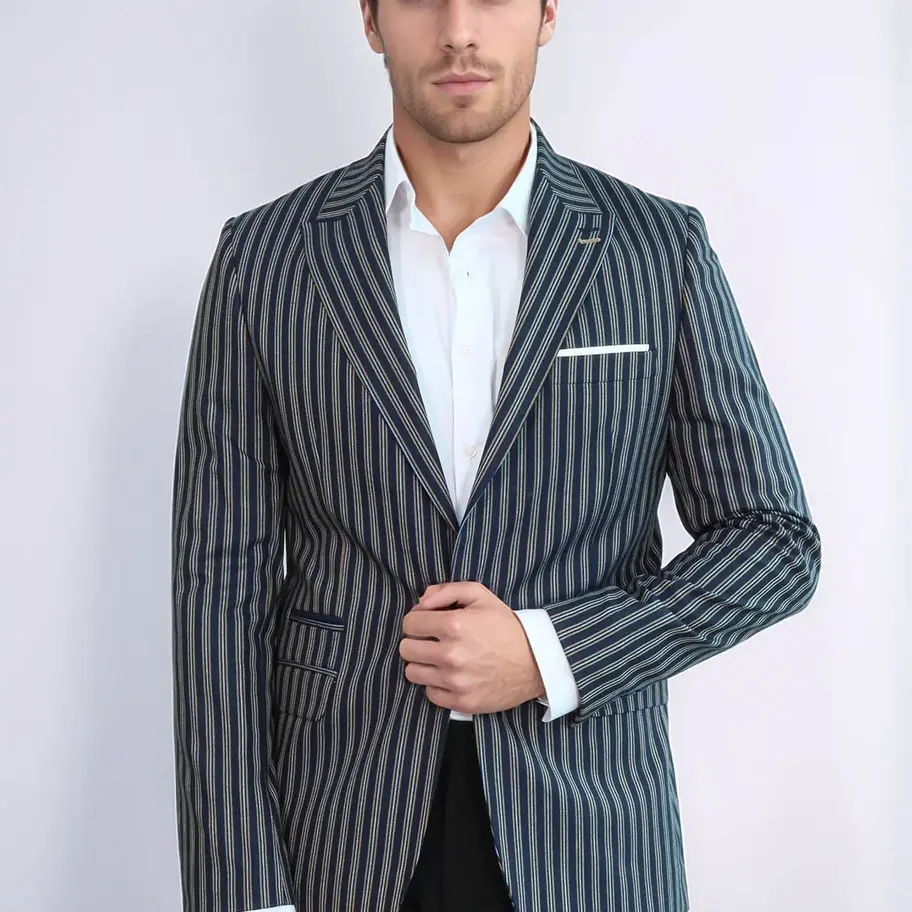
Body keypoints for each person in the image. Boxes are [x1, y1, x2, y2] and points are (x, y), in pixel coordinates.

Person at [170, 1, 821, 910]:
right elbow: (218, 590)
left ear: (548, 12)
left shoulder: (656, 251)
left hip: (591, 840)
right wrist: (243, 892)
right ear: (370, 18)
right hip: (340, 838)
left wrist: (551, 652)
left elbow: (773, 541)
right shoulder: (267, 260)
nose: (458, 30)